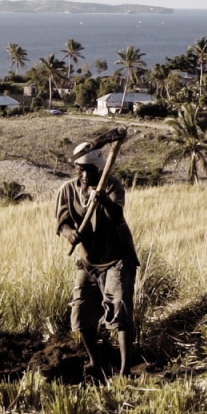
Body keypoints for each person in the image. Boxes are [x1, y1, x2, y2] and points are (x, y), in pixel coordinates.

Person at [55, 141, 139, 378]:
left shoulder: (112, 186)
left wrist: (102, 199)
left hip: (116, 258)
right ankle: (96, 363)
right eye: (80, 168)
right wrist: (70, 234)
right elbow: (62, 223)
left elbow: (117, 215)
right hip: (88, 260)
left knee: (120, 309)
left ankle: (125, 370)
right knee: (81, 312)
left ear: (99, 170)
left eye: (89, 169)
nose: (84, 174)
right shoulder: (67, 190)